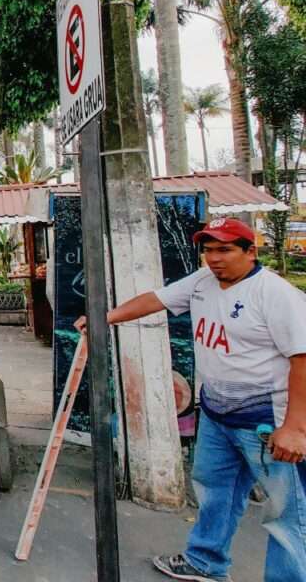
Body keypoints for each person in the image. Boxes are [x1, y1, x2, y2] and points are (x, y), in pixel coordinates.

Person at [75, 218, 306, 582]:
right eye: (208, 250)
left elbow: (302, 359)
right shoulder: (202, 283)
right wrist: (106, 318)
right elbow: (157, 299)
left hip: (265, 422)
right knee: (215, 492)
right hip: (216, 413)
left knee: (286, 513)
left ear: (250, 252)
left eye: (225, 250)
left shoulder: (275, 294)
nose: (215, 258)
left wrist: (294, 427)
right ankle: (206, 561)